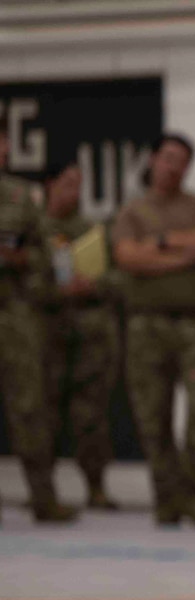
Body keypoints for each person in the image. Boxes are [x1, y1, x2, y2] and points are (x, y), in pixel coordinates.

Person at [111, 133, 195, 529]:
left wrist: (160, 245)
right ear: (154, 160)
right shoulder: (132, 212)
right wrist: (186, 254)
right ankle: (167, 500)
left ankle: (194, 496)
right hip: (146, 326)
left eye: (181, 160)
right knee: (152, 417)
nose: (172, 165)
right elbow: (128, 258)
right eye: (166, 157)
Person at [38, 161, 121, 512]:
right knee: (43, 415)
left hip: (90, 334)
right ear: (50, 185)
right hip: (45, 332)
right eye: (67, 183)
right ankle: (43, 489)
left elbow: (122, 278)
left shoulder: (92, 230)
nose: (74, 191)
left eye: (79, 184)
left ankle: (96, 486)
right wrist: (56, 292)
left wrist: (94, 284)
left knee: (91, 417)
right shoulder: (33, 227)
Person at [0, 133, 74, 524]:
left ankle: (43, 499)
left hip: (15, 314)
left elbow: (50, 250)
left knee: (30, 407)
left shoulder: (23, 197)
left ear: (5, 147)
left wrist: (18, 257)